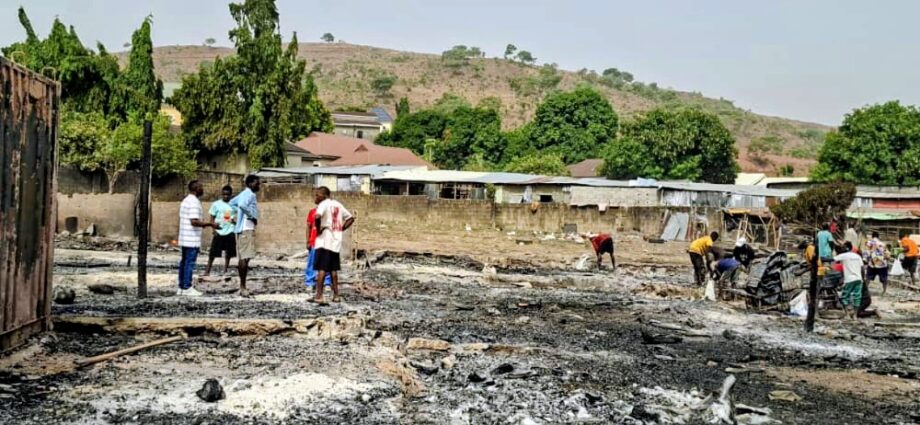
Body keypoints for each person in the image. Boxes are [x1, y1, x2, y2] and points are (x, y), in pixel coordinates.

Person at [312, 186, 354, 305]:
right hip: (336, 240)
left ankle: (319, 295)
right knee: (333, 269)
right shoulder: (338, 204)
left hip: (325, 238)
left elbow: (317, 216)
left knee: (322, 268)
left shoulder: (323, 204)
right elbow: (350, 218)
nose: (315, 197)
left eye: (317, 195)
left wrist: (319, 229)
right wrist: (341, 229)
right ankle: (336, 295)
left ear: (324, 196)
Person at [177, 181, 216, 297]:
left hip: (185, 237)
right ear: (196, 188)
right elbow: (194, 221)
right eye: (201, 187)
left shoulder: (186, 200)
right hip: (191, 238)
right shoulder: (194, 202)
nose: (203, 189)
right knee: (189, 262)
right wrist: (210, 224)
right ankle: (187, 287)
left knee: (184, 262)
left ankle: (181, 287)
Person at [230, 175, 261, 297]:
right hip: (246, 229)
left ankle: (242, 287)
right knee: (244, 258)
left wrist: (236, 215)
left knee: (244, 257)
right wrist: (251, 215)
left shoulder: (243, 193)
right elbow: (242, 205)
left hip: (243, 229)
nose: (259, 185)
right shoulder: (250, 195)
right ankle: (243, 288)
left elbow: (232, 203)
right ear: (250, 183)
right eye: (257, 183)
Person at [204, 185, 237, 277]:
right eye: (224, 194)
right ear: (222, 194)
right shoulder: (216, 204)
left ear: (231, 195)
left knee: (229, 252)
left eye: (228, 194)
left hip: (230, 231)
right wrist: (213, 229)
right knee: (213, 252)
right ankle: (207, 271)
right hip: (219, 231)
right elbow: (212, 218)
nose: (226, 196)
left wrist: (235, 224)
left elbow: (234, 218)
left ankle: (225, 270)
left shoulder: (234, 205)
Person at [834, 241, 864, 319]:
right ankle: (855, 315)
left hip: (849, 279)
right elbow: (862, 268)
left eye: (843, 247)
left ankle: (847, 314)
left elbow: (832, 259)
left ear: (847, 248)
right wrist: (862, 279)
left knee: (845, 297)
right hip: (858, 279)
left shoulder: (844, 255)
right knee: (857, 297)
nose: (842, 248)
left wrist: (821, 258)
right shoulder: (857, 256)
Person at [304, 206, 332, 289]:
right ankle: (310, 282)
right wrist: (308, 241)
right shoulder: (312, 212)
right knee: (312, 263)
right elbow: (308, 226)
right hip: (314, 242)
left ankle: (327, 283)